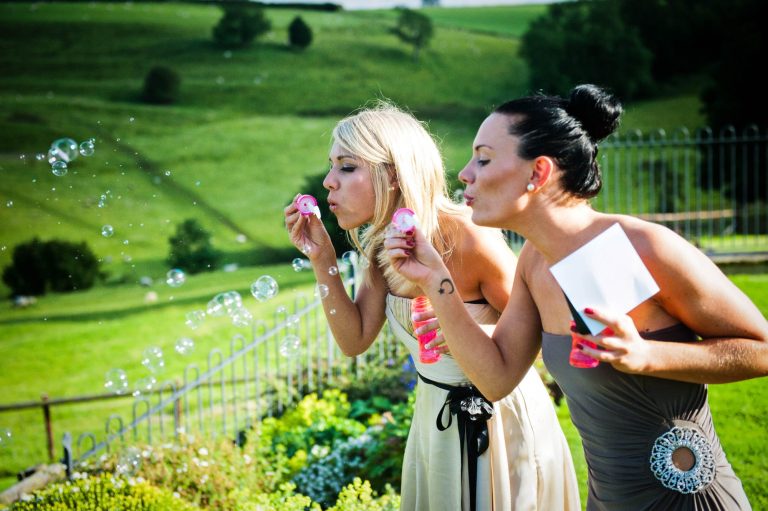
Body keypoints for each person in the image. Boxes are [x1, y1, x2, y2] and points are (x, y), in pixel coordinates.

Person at [385, 84, 768, 510]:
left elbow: (762, 350)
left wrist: (646, 355)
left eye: (484, 158)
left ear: (538, 172)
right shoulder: (534, 261)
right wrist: (439, 282)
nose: (465, 173)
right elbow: (496, 378)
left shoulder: (639, 247)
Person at [284, 102, 580, 511]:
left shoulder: (468, 237)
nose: (329, 182)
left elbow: (540, 326)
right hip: (435, 419)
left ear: (392, 173)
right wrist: (324, 262)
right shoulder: (379, 248)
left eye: (346, 167)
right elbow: (354, 340)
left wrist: (471, 332)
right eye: (332, 167)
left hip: (498, 421)